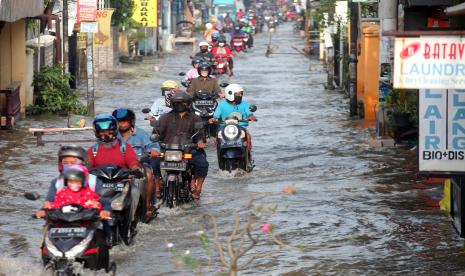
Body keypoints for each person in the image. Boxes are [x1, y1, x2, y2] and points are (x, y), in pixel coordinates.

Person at [155, 92, 209, 199]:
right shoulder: (164, 117)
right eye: (177, 102)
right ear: (172, 104)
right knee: (153, 161)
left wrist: (199, 142)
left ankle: (198, 187)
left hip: (188, 150)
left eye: (183, 102)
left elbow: (199, 134)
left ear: (188, 103)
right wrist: (154, 143)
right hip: (167, 149)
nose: (180, 104)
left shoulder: (195, 118)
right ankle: (158, 184)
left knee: (202, 163)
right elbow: (156, 133)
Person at [112, 108, 161, 212]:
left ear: (131, 122)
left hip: (139, 165)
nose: (121, 124)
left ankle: (147, 205)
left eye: (124, 121)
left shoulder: (141, 134)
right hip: (118, 166)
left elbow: (152, 144)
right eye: (118, 121)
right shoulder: (111, 135)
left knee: (148, 175)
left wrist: (154, 150)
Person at [43, 145, 111, 215]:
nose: (69, 166)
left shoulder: (94, 181)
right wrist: (43, 209)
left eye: (73, 163)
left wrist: (105, 210)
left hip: (89, 219)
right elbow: (50, 201)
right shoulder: (57, 182)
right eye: (65, 163)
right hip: (62, 219)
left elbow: (105, 201)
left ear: (83, 163)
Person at [209, 83, 257, 148]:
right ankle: (219, 155)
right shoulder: (222, 105)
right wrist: (213, 119)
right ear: (230, 94)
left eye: (241, 93)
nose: (240, 95)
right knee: (217, 140)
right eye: (238, 94)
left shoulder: (245, 104)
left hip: (241, 128)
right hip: (224, 128)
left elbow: (249, 113)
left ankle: (248, 155)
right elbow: (216, 116)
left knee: (248, 137)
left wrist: (251, 117)